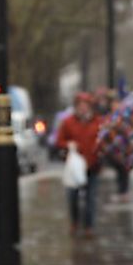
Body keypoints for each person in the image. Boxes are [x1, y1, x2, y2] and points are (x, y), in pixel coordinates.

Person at [52, 93, 101, 236]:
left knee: (90, 199)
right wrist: (68, 144)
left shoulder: (98, 122)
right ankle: (74, 222)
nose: (83, 109)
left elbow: (102, 141)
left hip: (93, 166)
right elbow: (58, 141)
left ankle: (89, 226)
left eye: (85, 105)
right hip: (74, 167)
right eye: (80, 106)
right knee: (72, 197)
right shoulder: (68, 122)